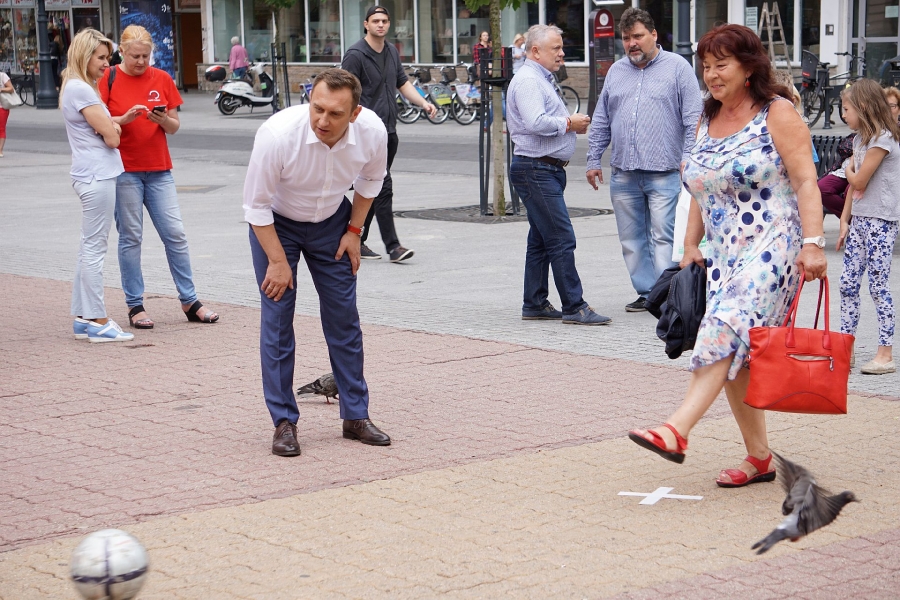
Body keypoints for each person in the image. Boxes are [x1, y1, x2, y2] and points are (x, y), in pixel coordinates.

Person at [627, 24, 828, 486]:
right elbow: (703, 186)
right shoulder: (707, 117)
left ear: (748, 67)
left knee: (723, 326)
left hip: (774, 244)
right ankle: (760, 458)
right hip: (722, 253)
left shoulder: (777, 112)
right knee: (737, 353)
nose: (711, 74)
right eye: (706, 66)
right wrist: (690, 245)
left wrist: (814, 244)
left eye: (722, 65)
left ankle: (676, 430)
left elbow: (805, 181)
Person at [243, 68, 392, 456]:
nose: (323, 120)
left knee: (344, 317)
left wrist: (354, 232)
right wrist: (278, 261)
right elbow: (255, 206)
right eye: (317, 108)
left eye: (335, 114)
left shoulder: (373, 132)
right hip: (277, 226)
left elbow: (370, 182)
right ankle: (284, 422)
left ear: (355, 113)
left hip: (332, 222)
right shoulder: (277, 135)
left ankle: (355, 416)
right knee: (278, 320)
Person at [100, 25, 219, 329]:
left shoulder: (162, 78)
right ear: (121, 52)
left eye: (146, 55)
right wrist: (123, 119)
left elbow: (174, 127)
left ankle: (190, 300)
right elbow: (96, 122)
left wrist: (162, 118)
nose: (141, 61)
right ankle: (135, 304)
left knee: (175, 234)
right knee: (131, 237)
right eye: (135, 56)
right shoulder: (108, 77)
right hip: (124, 170)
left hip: (159, 170)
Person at [586, 8, 702, 313]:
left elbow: (694, 119)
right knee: (631, 239)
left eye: (637, 36)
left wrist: (689, 157)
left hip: (664, 171)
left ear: (653, 35)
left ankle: (666, 295)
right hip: (623, 172)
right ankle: (646, 292)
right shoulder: (616, 72)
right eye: (626, 38)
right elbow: (602, 118)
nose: (631, 43)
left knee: (664, 236)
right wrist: (593, 158)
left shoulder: (678, 68)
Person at [507, 25, 610, 326]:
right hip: (536, 169)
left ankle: (535, 302)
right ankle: (575, 306)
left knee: (541, 239)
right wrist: (569, 123)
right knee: (561, 237)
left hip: (543, 169)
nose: (562, 53)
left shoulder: (539, 78)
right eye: (556, 48)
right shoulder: (529, 80)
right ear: (535, 51)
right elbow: (536, 122)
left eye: (561, 47)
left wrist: (569, 125)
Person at [341, 5, 435, 262]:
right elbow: (344, 92)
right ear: (366, 24)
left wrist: (423, 103)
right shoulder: (355, 55)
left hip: (389, 131)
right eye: (375, 21)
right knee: (382, 185)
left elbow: (402, 83)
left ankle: (356, 238)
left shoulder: (392, 51)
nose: (380, 24)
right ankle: (393, 246)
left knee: (371, 186)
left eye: (384, 21)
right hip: (365, 132)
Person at [60, 29, 133, 343]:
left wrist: (115, 122)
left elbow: (104, 128)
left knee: (87, 246)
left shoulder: (74, 86)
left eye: (108, 57)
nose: (107, 64)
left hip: (88, 173)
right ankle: (98, 321)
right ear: (84, 55)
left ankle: (83, 317)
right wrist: (114, 127)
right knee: (94, 249)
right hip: (97, 175)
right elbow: (112, 138)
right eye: (101, 58)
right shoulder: (83, 90)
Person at [836, 79, 900, 375]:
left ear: (863, 107)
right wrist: (844, 219)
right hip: (861, 219)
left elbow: (858, 180)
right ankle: (845, 348)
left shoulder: (883, 139)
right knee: (847, 284)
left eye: (846, 109)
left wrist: (848, 169)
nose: (843, 115)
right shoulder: (861, 139)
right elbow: (854, 189)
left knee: (878, 286)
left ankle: (885, 354)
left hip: (881, 221)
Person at [817, 133, 854, 218]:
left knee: (849, 191)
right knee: (822, 187)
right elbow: (843, 148)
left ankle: (853, 220)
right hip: (844, 171)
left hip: (864, 174)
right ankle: (850, 220)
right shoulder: (855, 137)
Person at [0, 70, 11, 157]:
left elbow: (10, 88)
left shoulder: (2, 76)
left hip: (2, 106)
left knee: (1, 129)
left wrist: (1, 89)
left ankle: (0, 150)